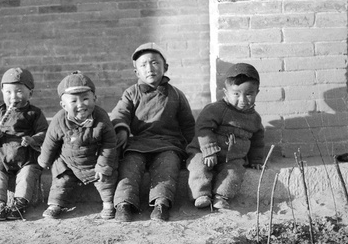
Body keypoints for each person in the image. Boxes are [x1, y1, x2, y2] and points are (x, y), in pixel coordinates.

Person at [110, 43, 195, 222]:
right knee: (130, 165)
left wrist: (191, 148)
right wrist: (122, 130)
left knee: (168, 165)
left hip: (168, 143)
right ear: (137, 72)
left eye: (155, 63)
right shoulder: (131, 93)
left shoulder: (177, 95)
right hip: (139, 143)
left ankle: (161, 203)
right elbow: (120, 114)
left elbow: (188, 125)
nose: (149, 68)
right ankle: (124, 203)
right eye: (143, 65)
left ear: (165, 67)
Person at [38, 71, 118, 220]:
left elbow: (109, 143)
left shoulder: (101, 118)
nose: (81, 105)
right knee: (61, 178)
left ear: (95, 98)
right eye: (73, 101)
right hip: (68, 161)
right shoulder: (59, 119)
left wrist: (103, 164)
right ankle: (56, 204)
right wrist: (44, 161)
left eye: (86, 99)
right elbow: (50, 141)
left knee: (106, 179)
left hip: (94, 161)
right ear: (63, 105)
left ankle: (108, 203)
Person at [186, 63, 265, 210]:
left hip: (232, 158)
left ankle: (221, 196)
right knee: (198, 166)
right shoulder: (216, 109)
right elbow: (203, 127)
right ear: (225, 92)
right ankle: (201, 194)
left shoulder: (254, 119)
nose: (243, 100)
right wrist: (208, 149)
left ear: (257, 93)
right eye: (236, 94)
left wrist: (256, 159)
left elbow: (257, 141)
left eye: (249, 94)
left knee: (234, 172)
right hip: (204, 152)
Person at [0, 67, 49, 222]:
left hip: (26, 158)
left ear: (30, 93)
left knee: (28, 175)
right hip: (1, 157)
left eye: (19, 92)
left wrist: (33, 139)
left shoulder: (34, 113)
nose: (13, 97)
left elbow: (44, 132)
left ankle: (19, 204)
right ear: (2, 91)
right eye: (8, 92)